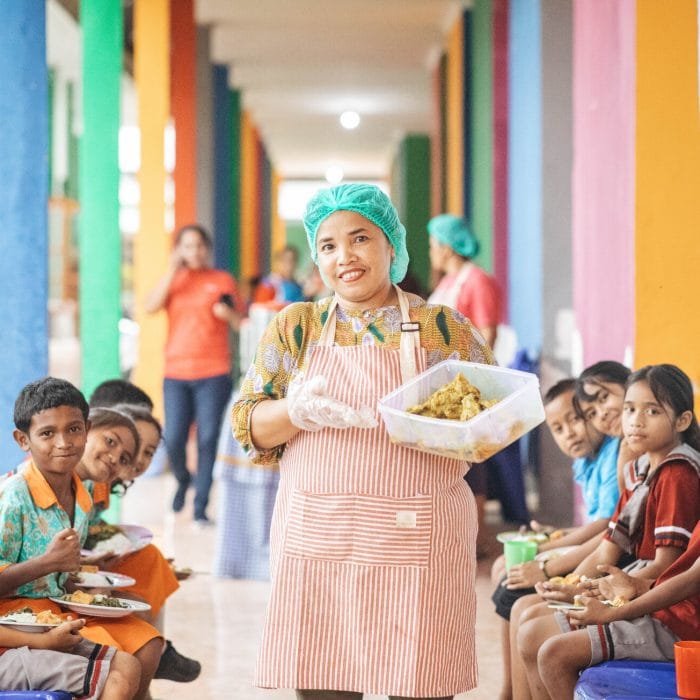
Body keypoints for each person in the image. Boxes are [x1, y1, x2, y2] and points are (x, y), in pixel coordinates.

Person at [232, 183, 494, 699]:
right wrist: (296, 411)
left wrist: (441, 428)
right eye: (328, 246)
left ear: (390, 245)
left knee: (421, 682)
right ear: (316, 259)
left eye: (360, 239)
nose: (344, 257)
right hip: (322, 538)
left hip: (420, 538)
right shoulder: (296, 328)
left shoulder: (444, 327)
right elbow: (249, 426)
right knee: (324, 683)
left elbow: (488, 428)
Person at [514, 363, 700, 699]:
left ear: (683, 421)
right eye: (630, 409)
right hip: (645, 592)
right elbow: (609, 544)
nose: (635, 420)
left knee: (549, 651)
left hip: (674, 616)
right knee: (529, 626)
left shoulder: (678, 475)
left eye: (652, 411)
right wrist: (579, 587)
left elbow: (670, 571)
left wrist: (611, 602)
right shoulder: (643, 467)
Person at [1, 377, 163, 700]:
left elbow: (60, 579)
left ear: (86, 429)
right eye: (47, 433)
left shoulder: (81, 494)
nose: (63, 442)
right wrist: (47, 563)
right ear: (23, 440)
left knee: (143, 651)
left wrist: (78, 578)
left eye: (74, 429)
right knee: (119, 675)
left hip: (51, 613)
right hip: (18, 622)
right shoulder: (13, 499)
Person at [491, 378, 618, 699]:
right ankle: (509, 688)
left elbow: (609, 529)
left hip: (610, 562)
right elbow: (607, 525)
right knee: (504, 572)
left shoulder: (618, 453)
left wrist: (546, 556)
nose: (570, 433)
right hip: (599, 550)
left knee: (514, 589)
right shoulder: (589, 462)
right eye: (558, 429)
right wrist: (553, 536)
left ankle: (510, 692)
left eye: (576, 419)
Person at [528, 520, 700, 699]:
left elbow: (691, 580)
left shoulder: (675, 491)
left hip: (685, 629)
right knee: (532, 629)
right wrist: (639, 586)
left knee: (553, 655)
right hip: (669, 609)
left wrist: (614, 613)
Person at [144, 224, 242, 524]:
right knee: (173, 437)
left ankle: (200, 506)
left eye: (199, 246)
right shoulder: (174, 281)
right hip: (176, 372)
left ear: (207, 249)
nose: (194, 252)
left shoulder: (222, 280)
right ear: (179, 250)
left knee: (208, 438)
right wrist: (172, 270)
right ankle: (183, 480)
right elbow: (150, 307)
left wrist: (229, 316)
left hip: (213, 371)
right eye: (187, 246)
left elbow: (241, 322)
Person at [427, 214, 505, 555]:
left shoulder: (477, 281)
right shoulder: (446, 283)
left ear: (446, 247)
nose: (431, 252)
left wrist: (470, 381)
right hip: (442, 386)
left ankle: (475, 539)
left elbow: (487, 333)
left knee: (472, 465)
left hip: (467, 385)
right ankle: (454, 533)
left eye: (432, 245)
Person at [0, 617, 140, 698]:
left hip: (16, 632)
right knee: (115, 683)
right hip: (6, 654)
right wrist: (43, 641)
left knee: (127, 664)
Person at [574, 361, 636, 492]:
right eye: (592, 414)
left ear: (629, 383)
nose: (602, 414)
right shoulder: (622, 452)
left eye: (604, 397)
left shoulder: (661, 436)